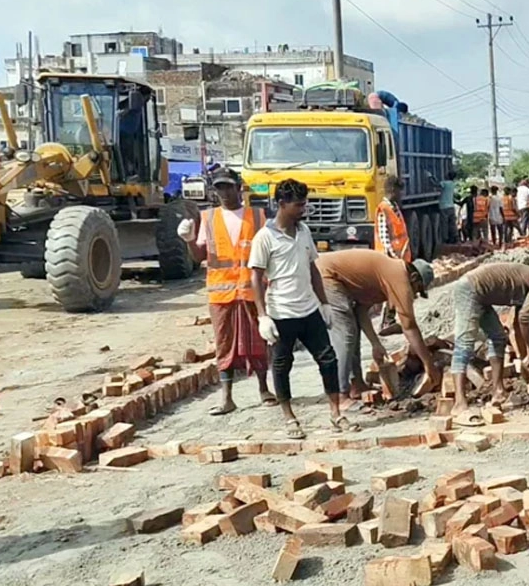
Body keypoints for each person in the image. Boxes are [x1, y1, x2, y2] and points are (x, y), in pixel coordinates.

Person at [248, 179, 349, 439]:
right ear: (281, 204)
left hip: (309, 309)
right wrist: (262, 316)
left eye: (304, 203)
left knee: (328, 358)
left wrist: (324, 303)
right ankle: (289, 417)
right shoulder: (265, 237)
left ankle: (336, 413)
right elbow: (256, 277)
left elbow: (313, 268)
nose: (303, 208)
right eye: (298, 204)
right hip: (281, 312)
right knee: (282, 364)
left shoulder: (303, 231)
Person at [177, 167, 275, 415]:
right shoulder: (208, 219)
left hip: (252, 293)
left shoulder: (258, 216)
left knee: (259, 342)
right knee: (224, 345)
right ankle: (227, 397)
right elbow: (200, 256)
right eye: (219, 187)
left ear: (238, 187)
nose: (223, 192)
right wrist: (189, 240)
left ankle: (264, 389)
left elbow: (270, 254)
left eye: (228, 187)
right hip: (221, 295)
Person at [450, 262, 529, 418]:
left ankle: (498, 392)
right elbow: (525, 318)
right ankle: (459, 403)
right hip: (470, 289)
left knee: (498, 338)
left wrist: (524, 358)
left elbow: (517, 325)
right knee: (464, 345)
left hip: (480, 295)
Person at [317, 250, 439, 408]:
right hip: (326, 275)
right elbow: (409, 327)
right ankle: (341, 395)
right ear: (414, 278)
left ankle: (357, 386)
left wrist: (375, 343)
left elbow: (361, 312)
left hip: (330, 273)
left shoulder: (383, 277)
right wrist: (429, 365)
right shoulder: (399, 276)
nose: (413, 295)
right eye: (416, 290)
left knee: (352, 330)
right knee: (346, 335)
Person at [374, 176, 411, 261]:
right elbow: (385, 241)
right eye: (399, 191)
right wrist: (395, 258)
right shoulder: (383, 210)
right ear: (393, 190)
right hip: (388, 261)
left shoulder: (395, 208)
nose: (401, 195)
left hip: (400, 260)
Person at [439, 170, 458, 243]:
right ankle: (455, 237)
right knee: (452, 223)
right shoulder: (452, 184)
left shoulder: (445, 183)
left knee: (444, 224)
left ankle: (446, 239)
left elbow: (436, 184)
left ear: (448, 176)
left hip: (444, 207)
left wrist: (430, 177)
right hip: (451, 206)